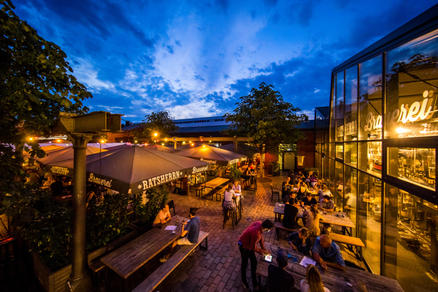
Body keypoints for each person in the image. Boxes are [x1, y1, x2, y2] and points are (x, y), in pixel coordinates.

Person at [238, 219, 274, 290]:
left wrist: (264, 249)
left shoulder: (259, 224)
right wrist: (262, 252)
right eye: (269, 230)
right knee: (244, 264)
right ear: (266, 228)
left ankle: (254, 282)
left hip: (248, 244)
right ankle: (244, 281)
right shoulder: (255, 233)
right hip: (243, 245)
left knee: (254, 262)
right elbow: (253, 247)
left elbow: (261, 239)